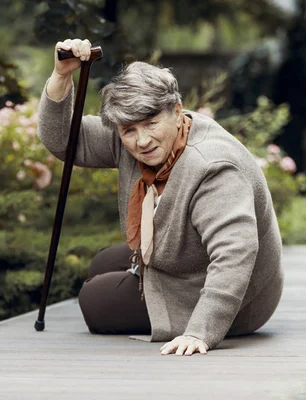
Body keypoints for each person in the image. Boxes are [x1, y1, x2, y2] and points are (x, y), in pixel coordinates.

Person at [37, 38, 284, 356]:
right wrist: (61, 75)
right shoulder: (132, 134)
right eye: (128, 131)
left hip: (242, 298)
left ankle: (176, 305)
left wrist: (200, 332)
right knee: (101, 263)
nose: (142, 141)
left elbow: (236, 254)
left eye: (151, 124)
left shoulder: (213, 167)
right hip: (184, 259)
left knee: (94, 300)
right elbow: (63, 141)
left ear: (177, 111)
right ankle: (144, 279)